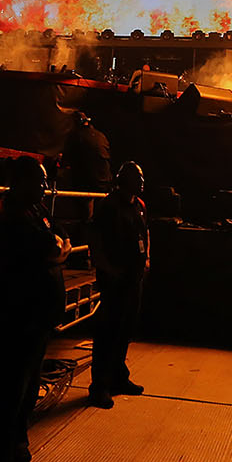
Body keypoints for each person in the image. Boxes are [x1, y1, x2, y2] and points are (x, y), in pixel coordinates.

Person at [0, 156, 68, 462]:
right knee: (4, 403)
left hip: (34, 321)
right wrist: (55, 248)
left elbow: (61, 238)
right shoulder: (10, 216)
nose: (44, 188)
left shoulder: (35, 210)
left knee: (23, 400)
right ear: (20, 182)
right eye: (38, 181)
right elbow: (49, 247)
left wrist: (56, 246)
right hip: (15, 322)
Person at [86, 161, 148, 409]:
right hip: (115, 280)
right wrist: (107, 268)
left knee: (125, 332)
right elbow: (95, 238)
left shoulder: (139, 206)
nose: (142, 183)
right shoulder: (108, 206)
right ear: (125, 180)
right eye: (138, 178)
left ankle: (119, 378)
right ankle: (99, 386)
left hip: (134, 280)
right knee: (108, 334)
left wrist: (147, 259)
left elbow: (146, 233)